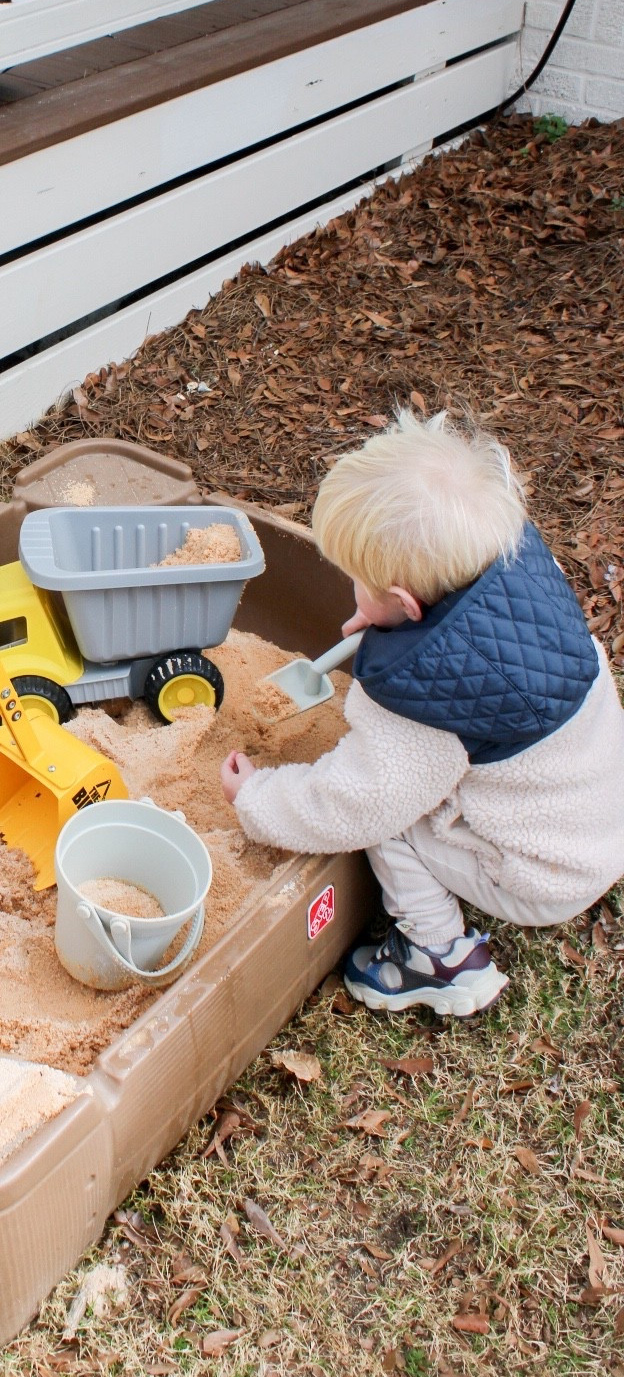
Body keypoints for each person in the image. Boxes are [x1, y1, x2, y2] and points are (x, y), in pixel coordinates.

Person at [220, 411, 624, 1016]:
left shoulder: (422, 714)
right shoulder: (520, 583)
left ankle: (437, 958)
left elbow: (355, 802)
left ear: (408, 603)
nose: (350, 591)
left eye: (357, 582)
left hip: (542, 872)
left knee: (396, 817)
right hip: (596, 822)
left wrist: (257, 797)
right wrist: (387, 620)